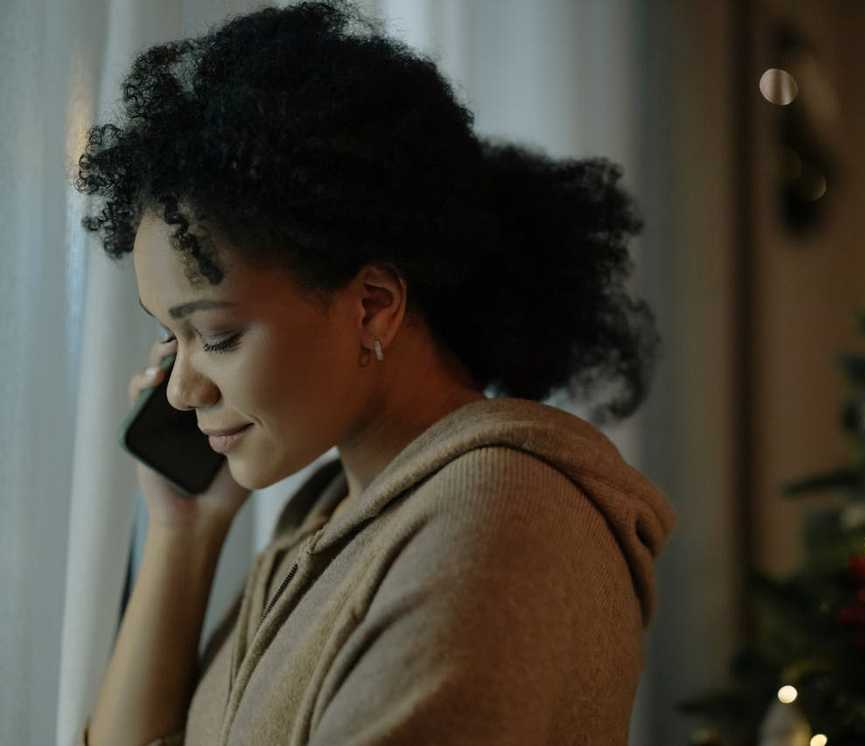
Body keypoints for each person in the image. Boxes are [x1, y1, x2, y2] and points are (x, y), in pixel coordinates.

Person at [72, 1, 677, 744]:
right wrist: (184, 533)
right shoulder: (334, 512)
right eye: (172, 336)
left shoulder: (496, 521)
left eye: (217, 335)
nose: (179, 387)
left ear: (373, 306)